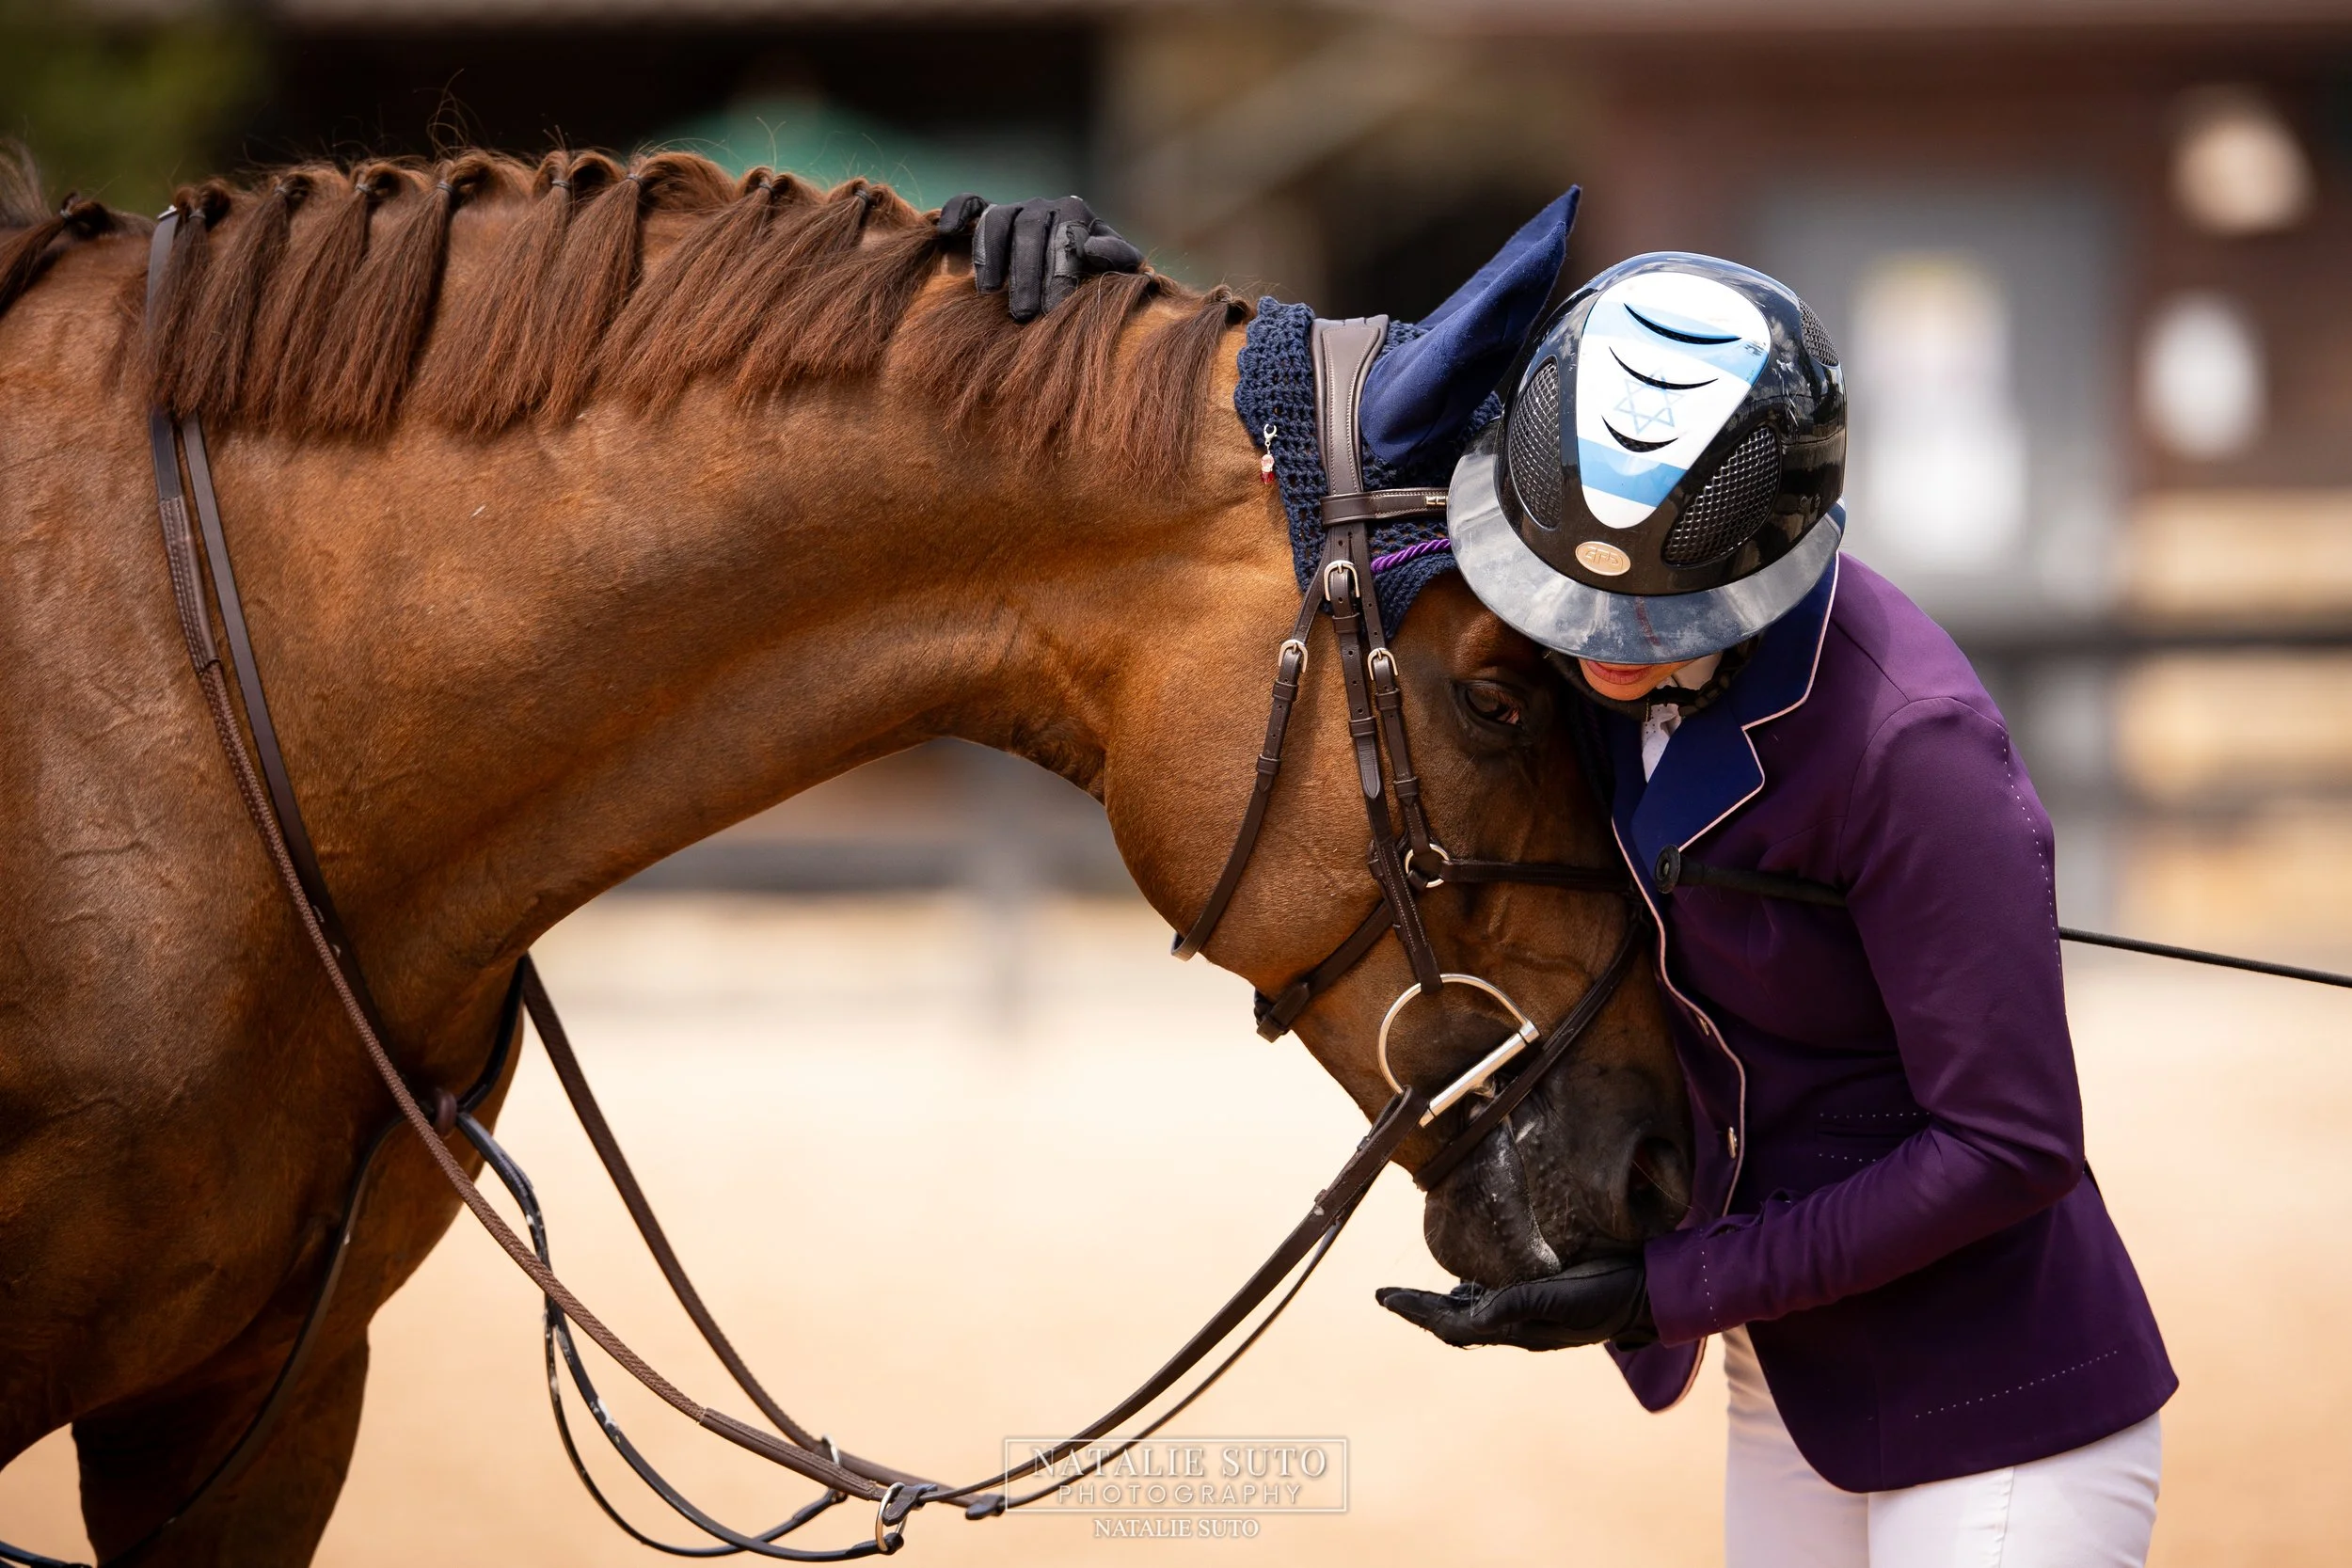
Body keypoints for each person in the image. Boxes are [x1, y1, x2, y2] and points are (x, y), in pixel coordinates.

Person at [949, 198, 2173, 1566]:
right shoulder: (1587, 644)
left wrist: (1670, 1287)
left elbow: (2013, 1146)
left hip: (1997, 1412)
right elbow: (1342, 445)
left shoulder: (1914, 746)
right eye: (1573, 605)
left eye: (1652, 624)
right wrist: (1098, 320)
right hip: (1789, 1391)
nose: (1598, 653)